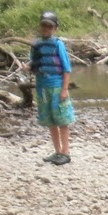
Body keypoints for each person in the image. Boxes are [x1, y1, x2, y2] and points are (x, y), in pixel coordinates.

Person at [29, 10, 75, 165]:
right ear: (40, 26)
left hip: (56, 86)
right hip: (42, 87)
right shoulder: (36, 45)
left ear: (55, 28)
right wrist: (27, 67)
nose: (46, 29)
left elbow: (66, 68)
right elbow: (34, 65)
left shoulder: (58, 44)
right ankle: (57, 151)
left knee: (62, 119)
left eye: (50, 26)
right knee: (50, 120)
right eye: (44, 25)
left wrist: (64, 89)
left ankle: (65, 153)